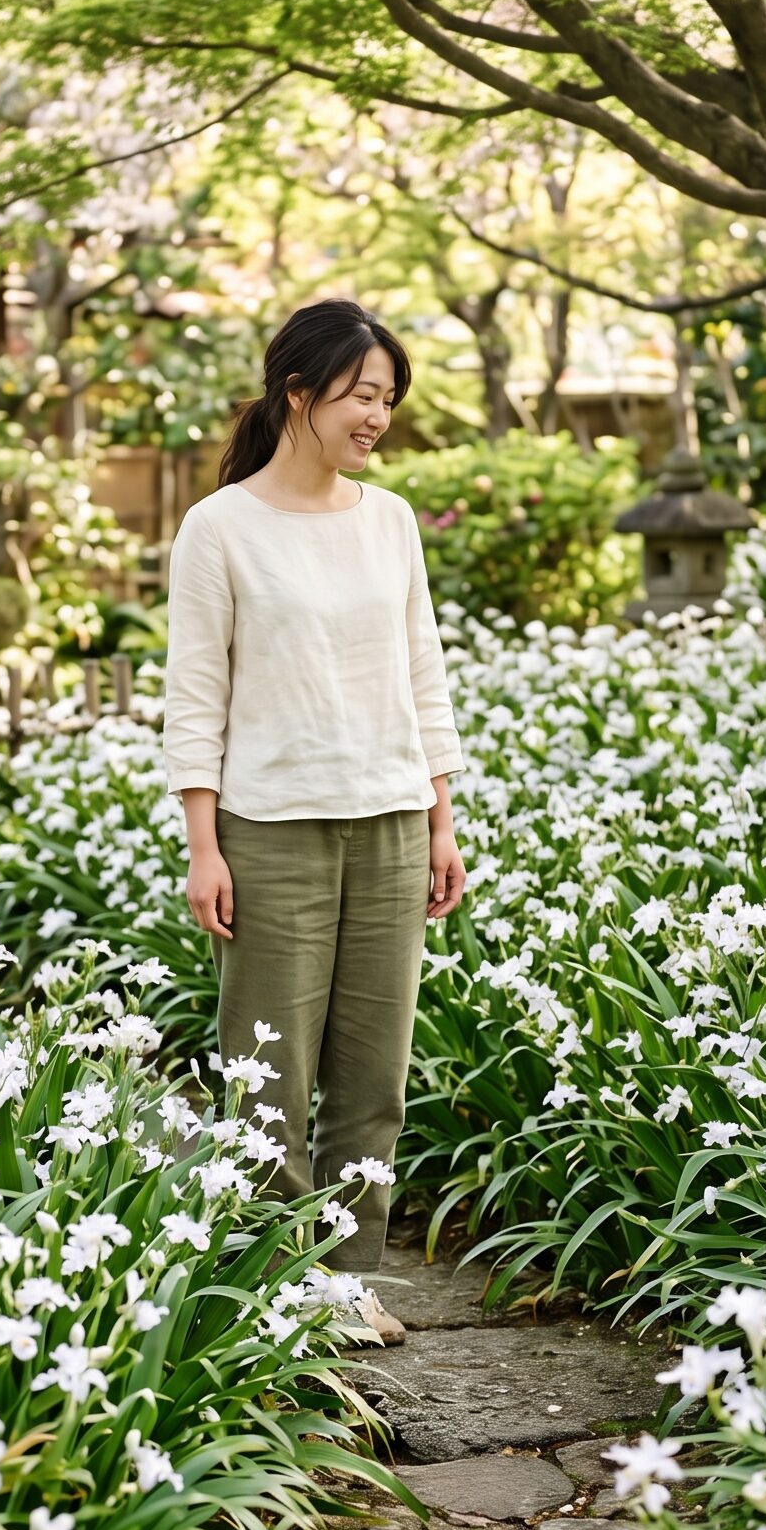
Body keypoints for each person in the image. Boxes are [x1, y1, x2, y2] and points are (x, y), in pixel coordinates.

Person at [162, 297, 468, 1345]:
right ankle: (276, 1282)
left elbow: (420, 672)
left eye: (387, 398)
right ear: (297, 392)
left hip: (388, 820)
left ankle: (347, 1281)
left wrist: (440, 816)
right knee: (268, 1075)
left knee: (371, 1079)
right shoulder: (220, 528)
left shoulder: (387, 520)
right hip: (270, 831)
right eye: (360, 394)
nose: (376, 415)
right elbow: (194, 695)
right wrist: (204, 845)